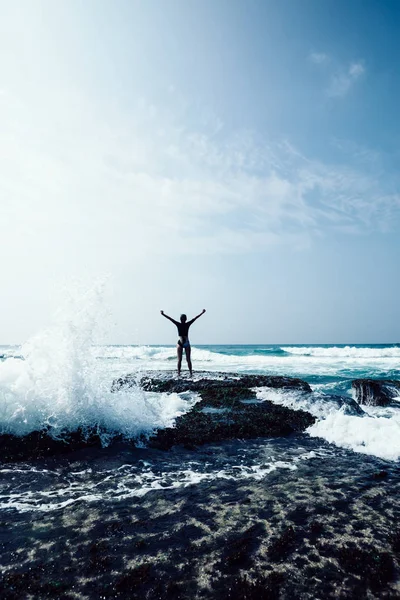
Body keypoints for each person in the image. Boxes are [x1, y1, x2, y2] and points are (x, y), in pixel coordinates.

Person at [160, 309, 206, 376]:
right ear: (185, 319)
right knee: (186, 360)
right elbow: (195, 318)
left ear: (181, 319)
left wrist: (163, 314)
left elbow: (170, 319)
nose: (183, 320)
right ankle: (188, 373)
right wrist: (202, 312)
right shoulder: (186, 324)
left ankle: (181, 373)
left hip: (181, 343)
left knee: (181, 360)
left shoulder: (180, 324)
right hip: (185, 343)